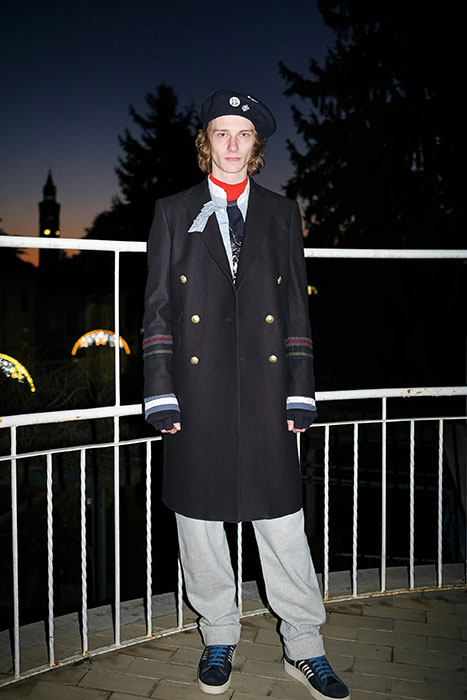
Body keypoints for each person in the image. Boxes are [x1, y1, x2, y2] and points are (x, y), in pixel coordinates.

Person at [143, 89, 350, 699]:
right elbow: (157, 309)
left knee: (282, 520)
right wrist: (160, 390)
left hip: (266, 387)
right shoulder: (172, 211)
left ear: (255, 145)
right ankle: (218, 635)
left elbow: (295, 308)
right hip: (195, 388)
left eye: (244, 134)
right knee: (199, 521)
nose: (232, 145)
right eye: (222, 133)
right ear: (206, 141)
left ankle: (305, 646)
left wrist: (301, 390)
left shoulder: (282, 213)